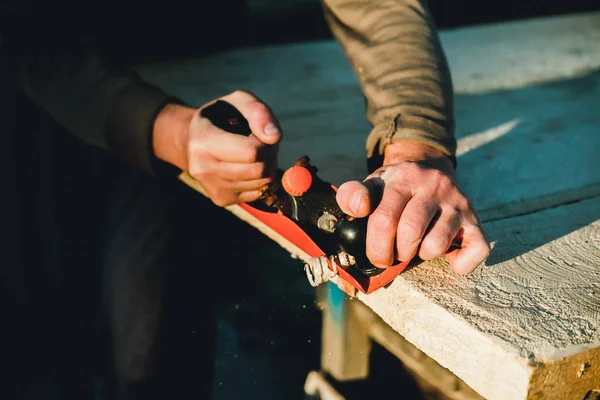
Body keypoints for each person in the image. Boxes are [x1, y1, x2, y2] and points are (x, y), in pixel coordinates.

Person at [0, 0, 490, 399]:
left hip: (210, 74)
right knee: (45, 351)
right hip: (56, 119)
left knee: (157, 349)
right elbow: (36, 40)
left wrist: (416, 146)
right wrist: (169, 132)